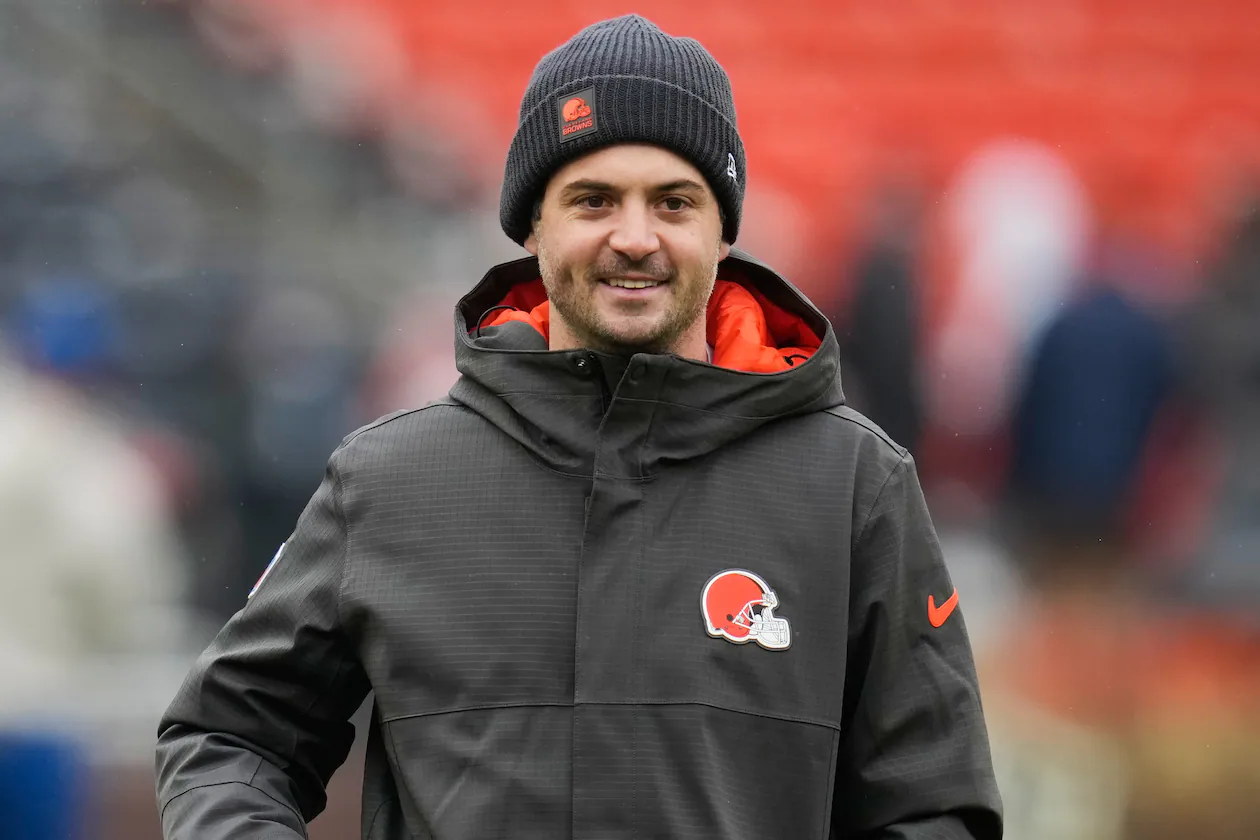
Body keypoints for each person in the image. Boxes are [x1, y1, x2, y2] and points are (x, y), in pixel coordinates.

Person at [155, 15, 1002, 839]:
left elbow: (932, 804)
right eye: (594, 199)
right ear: (533, 223)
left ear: (722, 229)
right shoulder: (389, 481)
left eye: (673, 202)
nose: (634, 238)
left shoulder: (853, 486)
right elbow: (229, 737)